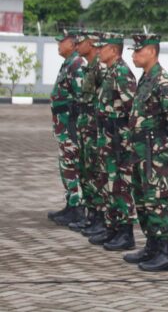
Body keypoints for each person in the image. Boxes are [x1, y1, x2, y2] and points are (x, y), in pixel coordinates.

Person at [124, 34, 168, 271]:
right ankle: (152, 246)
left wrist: (164, 128)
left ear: (151, 51)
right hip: (141, 151)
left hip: (155, 152)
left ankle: (167, 254)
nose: (133, 55)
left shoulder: (162, 80)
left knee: (157, 201)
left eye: (138, 51)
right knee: (142, 200)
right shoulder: (146, 78)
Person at [87, 32, 139, 251]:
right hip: (108, 140)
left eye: (103, 47)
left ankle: (125, 233)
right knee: (109, 185)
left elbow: (132, 110)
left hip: (119, 142)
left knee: (121, 186)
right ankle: (113, 227)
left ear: (114, 50)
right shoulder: (110, 72)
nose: (99, 50)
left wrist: (126, 141)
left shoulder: (122, 74)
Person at [48, 28, 86, 226]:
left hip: (71, 126)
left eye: (61, 41)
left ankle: (78, 209)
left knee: (72, 165)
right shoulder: (68, 64)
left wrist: (77, 127)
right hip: (64, 127)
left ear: (72, 43)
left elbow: (82, 98)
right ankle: (71, 205)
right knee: (66, 166)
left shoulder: (77, 64)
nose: (58, 44)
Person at [68, 30, 104, 233]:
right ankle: (92, 215)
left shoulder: (100, 69)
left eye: (80, 42)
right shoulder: (90, 68)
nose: (76, 45)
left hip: (95, 130)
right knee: (85, 172)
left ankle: (99, 217)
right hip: (85, 128)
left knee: (95, 174)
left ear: (91, 44)